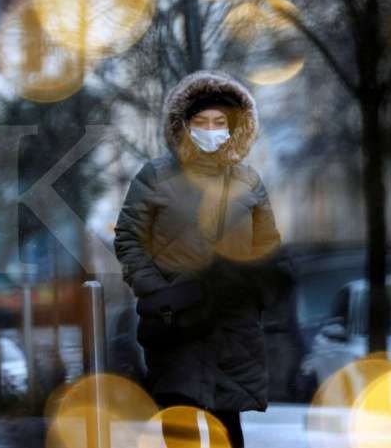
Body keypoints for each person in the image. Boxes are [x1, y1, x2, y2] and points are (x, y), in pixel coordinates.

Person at [113, 70, 289, 448]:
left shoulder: (249, 182)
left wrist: (253, 291)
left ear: (233, 126)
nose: (211, 129)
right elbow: (129, 239)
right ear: (185, 125)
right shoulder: (155, 177)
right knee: (181, 429)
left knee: (229, 430)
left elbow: (269, 247)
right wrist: (159, 295)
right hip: (177, 327)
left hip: (232, 329)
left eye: (219, 122)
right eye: (201, 122)